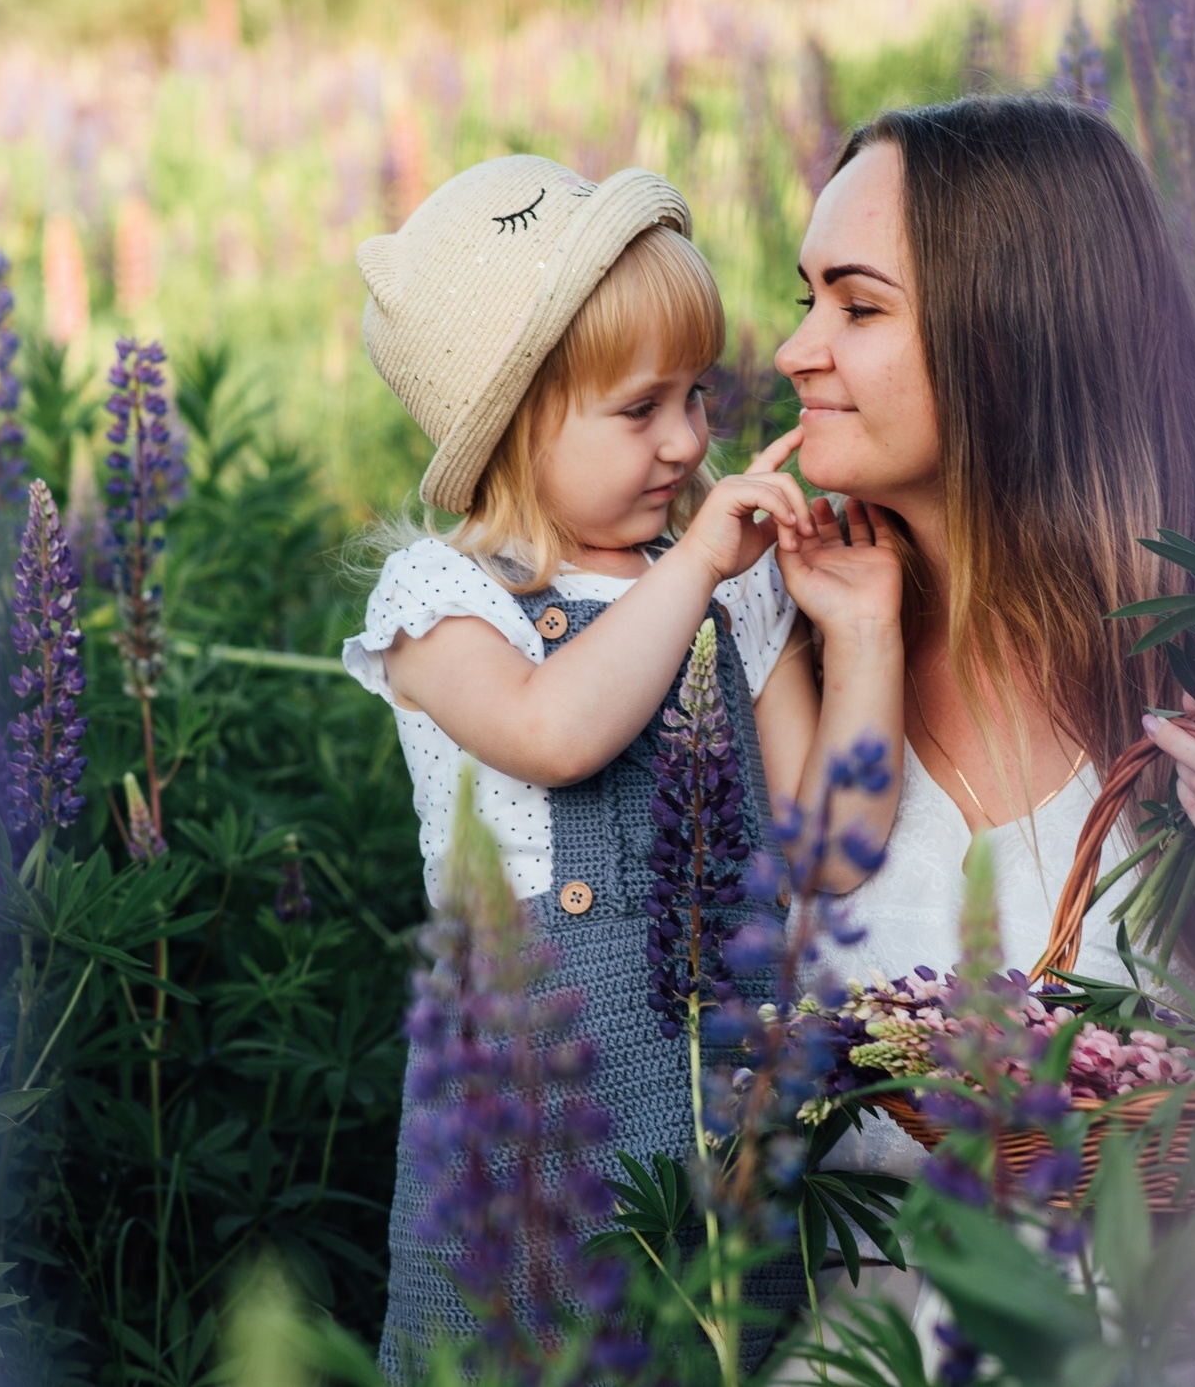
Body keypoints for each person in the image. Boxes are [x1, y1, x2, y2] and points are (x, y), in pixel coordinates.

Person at [342, 155, 902, 1376]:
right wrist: (696, 571)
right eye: (640, 409)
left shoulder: (730, 581)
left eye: (696, 396)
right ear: (516, 423)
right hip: (528, 1124)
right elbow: (555, 731)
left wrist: (857, 632)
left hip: (723, 1113)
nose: (689, 439)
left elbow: (834, 836)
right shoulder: (444, 602)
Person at [776, 95, 1195, 1190]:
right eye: (805, 299)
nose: (794, 351)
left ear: (1010, 334)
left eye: (859, 307)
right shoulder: (771, 641)